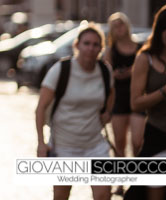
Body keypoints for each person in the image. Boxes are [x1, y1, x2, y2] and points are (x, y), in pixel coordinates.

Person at [35, 24, 113, 200]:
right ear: (77, 45)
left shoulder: (104, 70)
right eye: (86, 43)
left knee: (103, 195)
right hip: (64, 146)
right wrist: (41, 143)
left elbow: (111, 94)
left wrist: (107, 112)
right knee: (62, 195)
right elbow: (40, 108)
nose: (90, 48)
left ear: (101, 48)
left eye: (95, 44)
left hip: (95, 145)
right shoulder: (61, 70)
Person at [130, 2, 166, 200]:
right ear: (159, 33)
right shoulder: (145, 59)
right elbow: (136, 103)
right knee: (149, 191)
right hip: (157, 133)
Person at [103, 12, 143, 157]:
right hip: (118, 98)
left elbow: (146, 69)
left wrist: (133, 72)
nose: (119, 28)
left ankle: (137, 175)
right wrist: (117, 74)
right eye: (115, 26)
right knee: (119, 143)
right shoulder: (110, 50)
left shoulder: (140, 47)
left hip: (137, 96)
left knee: (138, 142)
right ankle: (121, 176)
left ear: (127, 25)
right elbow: (106, 74)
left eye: (121, 24)